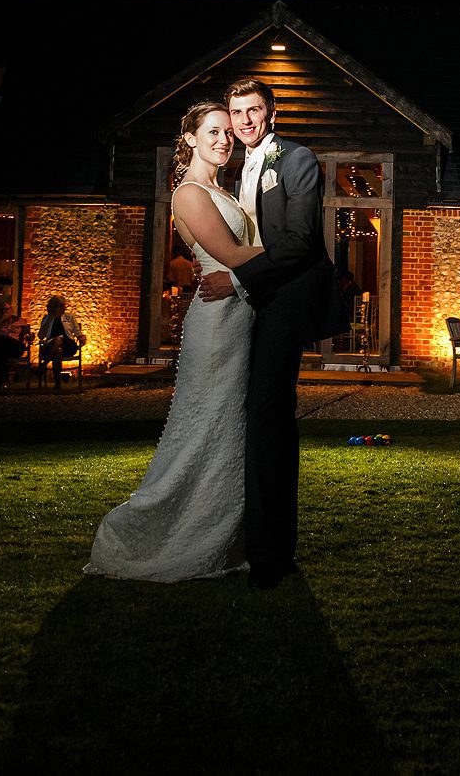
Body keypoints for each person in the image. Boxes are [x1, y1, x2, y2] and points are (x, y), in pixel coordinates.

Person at [87, 101, 262, 582]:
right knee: (206, 423)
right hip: (217, 320)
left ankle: (220, 533)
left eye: (228, 132)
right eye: (213, 131)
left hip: (239, 312)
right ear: (190, 139)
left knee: (227, 426)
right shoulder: (188, 192)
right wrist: (293, 245)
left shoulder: (222, 189)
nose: (224, 140)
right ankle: (159, 531)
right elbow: (230, 256)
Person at [196, 77, 336, 590]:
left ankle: (268, 555)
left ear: (271, 112)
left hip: (284, 302)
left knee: (265, 416)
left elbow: (300, 241)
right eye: (237, 113)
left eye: (254, 110)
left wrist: (236, 280)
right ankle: (267, 544)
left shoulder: (296, 159)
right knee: (264, 419)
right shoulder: (237, 171)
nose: (245, 121)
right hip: (253, 304)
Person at [35, 295, 85, 386]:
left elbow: (77, 331)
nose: (64, 308)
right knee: (58, 350)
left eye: (64, 305)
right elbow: (41, 336)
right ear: (54, 308)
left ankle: (43, 365)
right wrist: (50, 319)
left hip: (68, 345)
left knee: (58, 340)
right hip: (51, 346)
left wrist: (81, 337)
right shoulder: (46, 318)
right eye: (61, 306)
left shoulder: (69, 317)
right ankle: (57, 384)